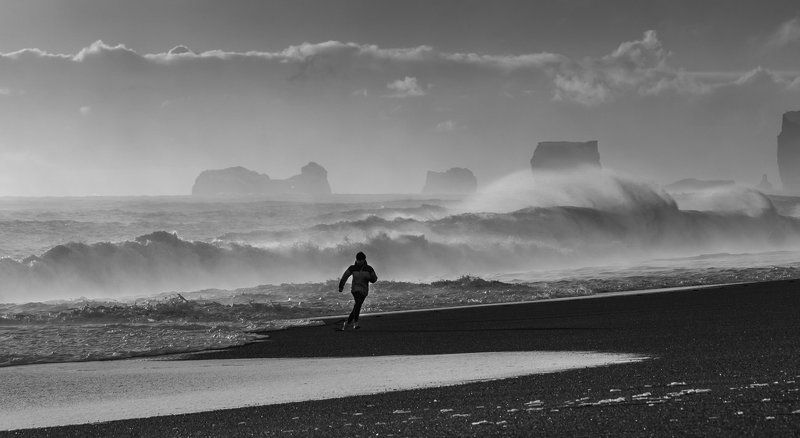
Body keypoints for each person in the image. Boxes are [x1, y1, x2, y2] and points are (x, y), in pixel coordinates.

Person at [338, 251, 378, 330]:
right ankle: (355, 324)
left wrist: (370, 278)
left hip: (364, 290)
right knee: (358, 304)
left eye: (361, 260)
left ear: (364, 260)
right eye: (358, 260)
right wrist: (341, 286)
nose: (359, 261)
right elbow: (345, 276)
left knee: (357, 306)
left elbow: (374, 279)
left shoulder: (369, 268)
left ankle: (347, 323)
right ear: (356, 260)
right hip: (355, 290)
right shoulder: (352, 268)